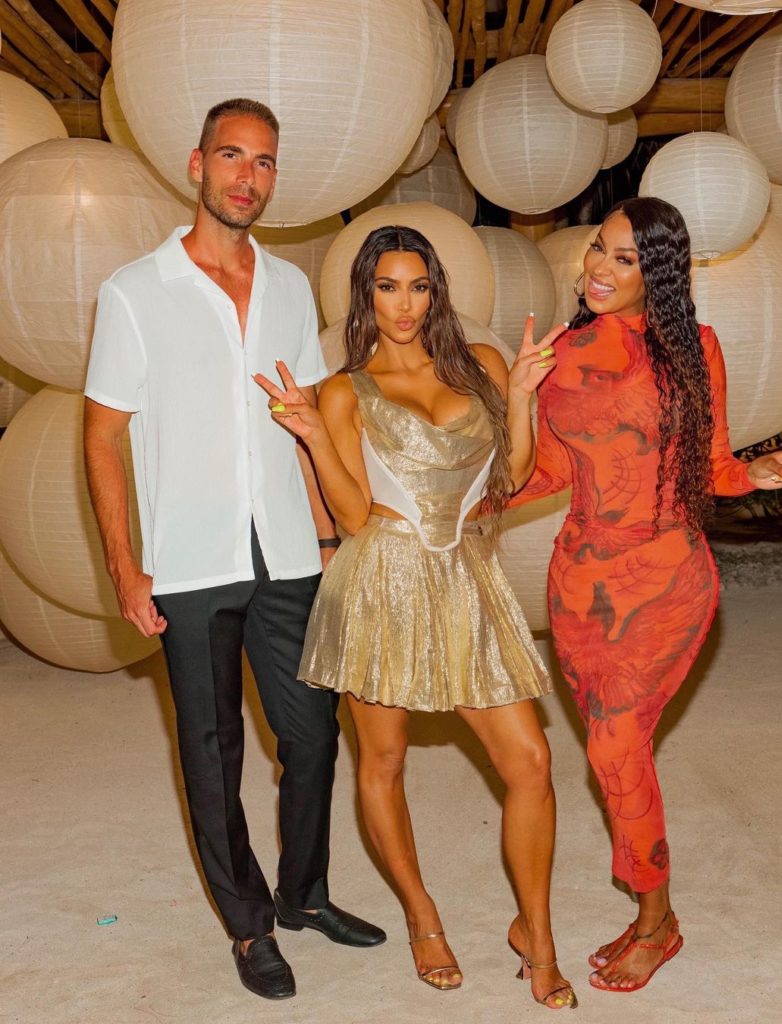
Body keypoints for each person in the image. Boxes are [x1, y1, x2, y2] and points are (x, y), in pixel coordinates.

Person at [83, 98, 384, 1003]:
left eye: (263, 162)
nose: (246, 177)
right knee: (212, 754)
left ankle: (304, 893)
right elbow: (102, 437)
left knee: (314, 733)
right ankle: (250, 926)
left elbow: (302, 422)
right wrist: (125, 567)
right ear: (197, 164)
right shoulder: (135, 291)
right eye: (231, 156)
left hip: (287, 551)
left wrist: (325, 540)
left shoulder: (290, 287)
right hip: (188, 561)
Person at [254, 224, 577, 1009]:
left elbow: (511, 477)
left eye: (418, 287)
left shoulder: (482, 365)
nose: (403, 305)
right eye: (387, 287)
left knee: (530, 762)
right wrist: (311, 436)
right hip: (382, 581)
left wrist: (522, 397)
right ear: (364, 295)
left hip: (466, 578)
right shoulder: (344, 390)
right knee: (384, 761)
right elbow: (353, 515)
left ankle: (535, 934)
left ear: (436, 292)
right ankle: (421, 916)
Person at [509, 196, 782, 994]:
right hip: (579, 584)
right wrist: (512, 402)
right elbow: (541, 475)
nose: (599, 268)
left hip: (667, 579)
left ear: (658, 274)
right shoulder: (558, 354)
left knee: (613, 749)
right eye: (598, 249)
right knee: (614, 752)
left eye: (625, 259)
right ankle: (650, 910)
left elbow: (712, 471)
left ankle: (657, 920)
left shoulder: (693, 350)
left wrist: (764, 470)